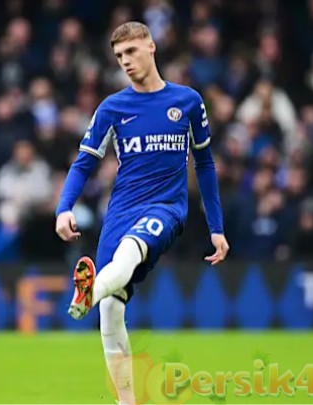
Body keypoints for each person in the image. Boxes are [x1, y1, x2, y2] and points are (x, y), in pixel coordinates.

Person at [54, 22, 229, 404]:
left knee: (127, 255)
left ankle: (88, 291)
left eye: (131, 52)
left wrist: (216, 226)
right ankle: (126, 401)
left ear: (151, 46)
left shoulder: (187, 101)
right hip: (121, 209)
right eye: (119, 57)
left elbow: (205, 164)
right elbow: (84, 162)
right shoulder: (113, 107)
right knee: (112, 310)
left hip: (166, 207)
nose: (125, 62)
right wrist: (63, 207)